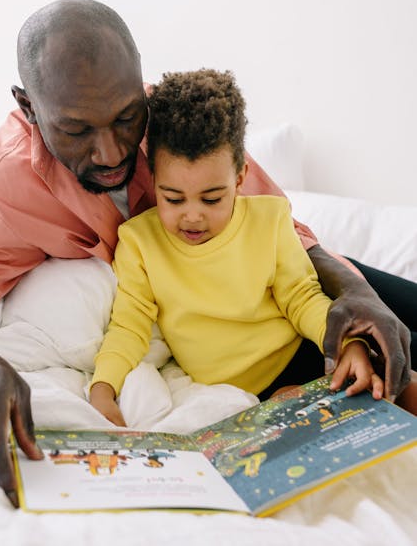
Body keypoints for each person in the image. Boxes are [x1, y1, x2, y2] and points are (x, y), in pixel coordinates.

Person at [0, 0, 413, 506]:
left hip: (285, 290)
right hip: (241, 349)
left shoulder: (174, 119)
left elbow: (284, 231)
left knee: (398, 320)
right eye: (76, 130)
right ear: (28, 108)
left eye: (127, 117)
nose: (111, 153)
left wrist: (356, 289)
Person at [89, 69, 417, 425]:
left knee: (399, 375)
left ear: (241, 178)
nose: (193, 216)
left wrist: (348, 344)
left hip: (308, 350)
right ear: (153, 180)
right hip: (251, 394)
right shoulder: (139, 243)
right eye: (174, 198)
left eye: (212, 199)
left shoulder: (269, 217)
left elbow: (302, 296)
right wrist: (102, 387)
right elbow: (128, 326)